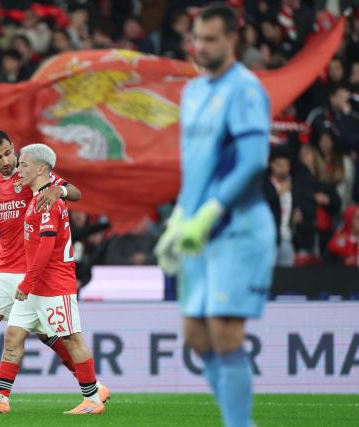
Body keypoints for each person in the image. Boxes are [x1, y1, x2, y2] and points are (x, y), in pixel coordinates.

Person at [155, 5, 275, 427]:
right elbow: (196, 164)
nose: (200, 46)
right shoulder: (193, 92)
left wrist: (210, 211)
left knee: (225, 331)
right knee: (196, 335)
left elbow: (253, 162)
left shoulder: (245, 89)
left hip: (237, 228)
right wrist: (178, 218)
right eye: (197, 38)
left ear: (232, 40)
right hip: (195, 229)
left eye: (210, 39)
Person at [0, 130, 108, 412]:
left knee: (51, 335)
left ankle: (93, 388)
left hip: (31, 267)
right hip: (2, 265)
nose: (5, 161)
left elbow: (75, 193)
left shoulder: (31, 174)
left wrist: (58, 190)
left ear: (13, 149)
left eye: (7, 153)